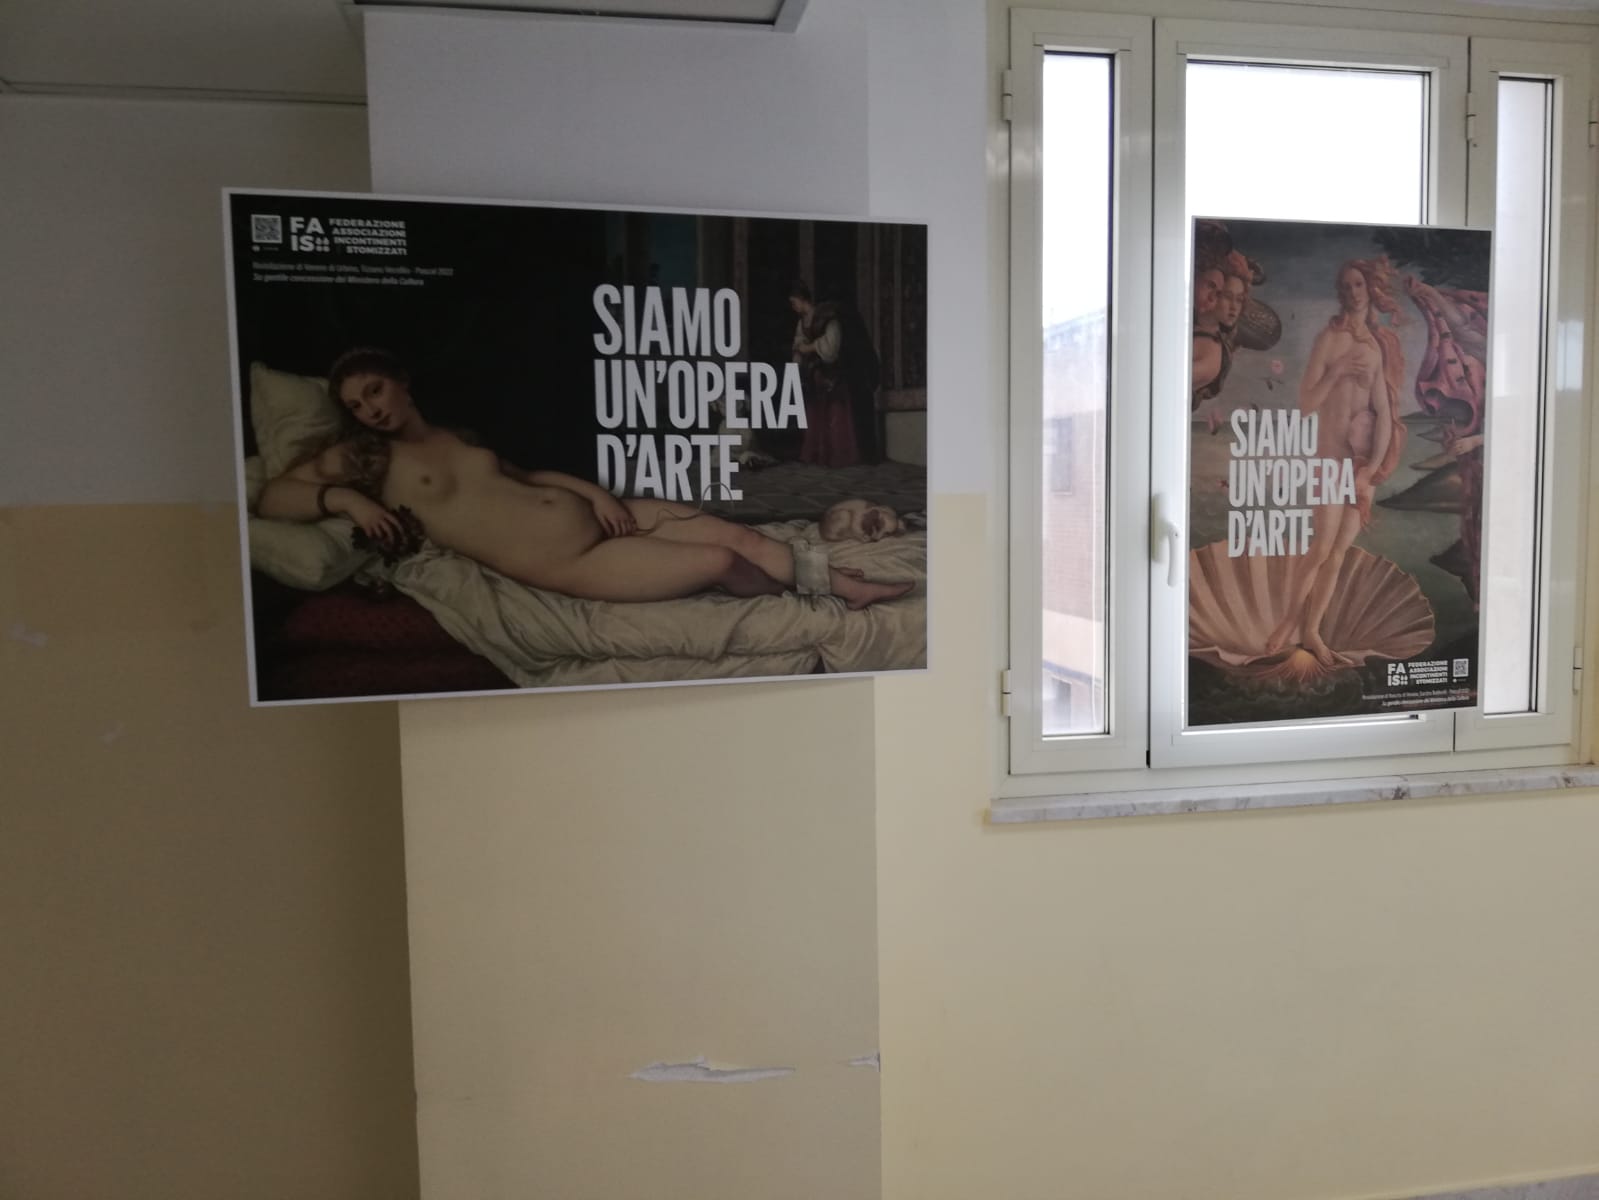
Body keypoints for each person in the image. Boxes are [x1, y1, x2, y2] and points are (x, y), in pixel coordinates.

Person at [257, 348, 912, 609]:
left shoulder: (456, 436)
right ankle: (809, 593)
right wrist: (343, 499)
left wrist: (596, 494)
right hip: (570, 561)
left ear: (401, 382)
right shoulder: (366, 461)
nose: (370, 409)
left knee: (740, 536)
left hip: (602, 514)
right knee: (718, 559)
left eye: (374, 391)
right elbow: (271, 495)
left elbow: (525, 476)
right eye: (356, 405)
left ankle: (845, 586)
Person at [1265, 257, 1408, 667]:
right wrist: (1339, 370)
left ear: (1369, 289)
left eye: (1358, 284)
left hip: (1360, 466)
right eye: (1345, 286)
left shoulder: (1375, 347)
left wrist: (1371, 469)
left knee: (1340, 552)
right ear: (1339, 292)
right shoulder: (1329, 341)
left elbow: (1383, 412)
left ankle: (1312, 632)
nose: (1352, 292)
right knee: (1321, 548)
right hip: (1329, 461)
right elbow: (1306, 403)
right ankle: (1288, 623)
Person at [789, 280, 880, 466]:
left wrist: (810, 348)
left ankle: (840, 455)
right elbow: (798, 345)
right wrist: (800, 358)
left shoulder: (828, 317)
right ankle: (819, 455)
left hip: (835, 373)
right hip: (816, 374)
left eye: (793, 302)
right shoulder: (802, 323)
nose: (793, 306)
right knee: (816, 413)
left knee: (836, 412)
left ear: (801, 298)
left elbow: (831, 348)